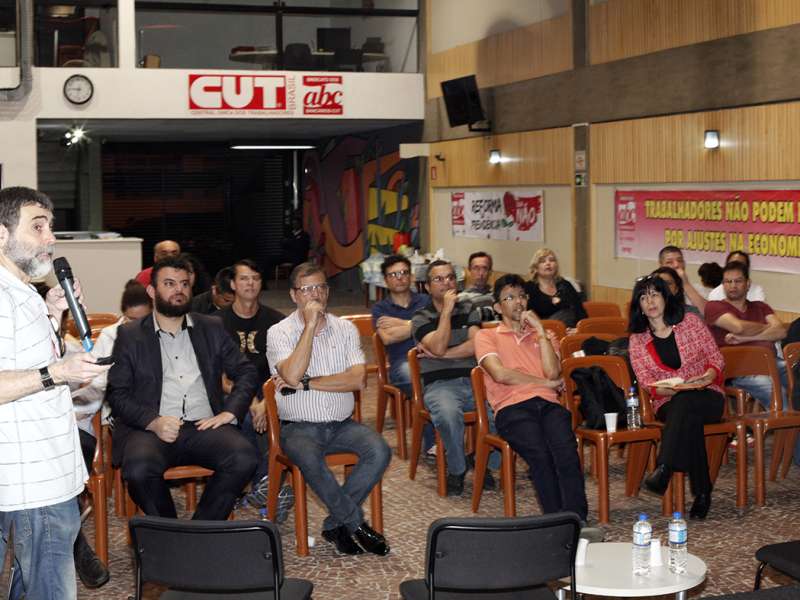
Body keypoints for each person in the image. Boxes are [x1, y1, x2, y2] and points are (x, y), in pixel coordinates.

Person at [0, 186, 110, 599]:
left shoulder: (23, 291)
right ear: (1, 235)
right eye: (38, 226)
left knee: (28, 587)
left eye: (52, 227)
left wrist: (53, 313)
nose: (51, 238)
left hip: (47, 469)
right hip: (32, 479)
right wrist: (56, 371)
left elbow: (25, 361)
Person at [107, 256, 259, 520]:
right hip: (152, 428)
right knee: (139, 469)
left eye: (184, 284)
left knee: (244, 456)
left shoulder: (210, 327)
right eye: (169, 283)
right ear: (152, 291)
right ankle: (170, 533)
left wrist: (230, 412)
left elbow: (245, 370)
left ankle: (201, 530)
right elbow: (117, 394)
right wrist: (153, 422)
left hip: (203, 426)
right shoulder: (130, 336)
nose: (179, 290)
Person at [267, 262, 391, 556]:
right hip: (298, 427)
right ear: (294, 295)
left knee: (380, 450)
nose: (315, 295)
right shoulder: (279, 332)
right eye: (307, 289)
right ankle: (356, 525)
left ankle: (335, 524)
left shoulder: (345, 328)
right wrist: (309, 326)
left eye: (321, 287)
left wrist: (308, 384)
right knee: (309, 458)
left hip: (342, 424)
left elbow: (358, 379)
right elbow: (292, 374)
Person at [475, 274, 590, 521]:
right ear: (497, 307)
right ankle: (555, 520)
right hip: (512, 407)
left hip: (548, 404)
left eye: (522, 296)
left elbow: (553, 372)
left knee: (567, 451)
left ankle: (577, 519)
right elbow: (500, 373)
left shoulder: (546, 336)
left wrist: (539, 330)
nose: (518, 302)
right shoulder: (487, 336)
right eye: (509, 297)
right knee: (540, 454)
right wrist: (544, 383)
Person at [70, 280, 151, 589]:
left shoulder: (165, 334)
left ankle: (169, 541)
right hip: (106, 419)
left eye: (143, 319)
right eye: (131, 320)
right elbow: (95, 389)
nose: (137, 326)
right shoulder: (109, 338)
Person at [628, 274, 725, 519]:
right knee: (685, 411)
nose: (649, 301)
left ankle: (665, 466)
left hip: (707, 394)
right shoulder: (638, 340)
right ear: (638, 305)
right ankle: (702, 492)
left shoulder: (690, 322)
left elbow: (716, 358)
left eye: (654, 294)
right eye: (643, 296)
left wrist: (706, 376)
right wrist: (667, 389)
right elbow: (647, 382)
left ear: (665, 297)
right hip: (667, 400)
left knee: (687, 406)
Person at [411, 260, 500, 496]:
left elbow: (477, 343)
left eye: (450, 277)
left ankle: (482, 462)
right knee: (449, 416)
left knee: (504, 412)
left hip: (474, 380)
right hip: (440, 385)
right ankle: (457, 469)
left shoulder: (469, 307)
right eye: (438, 279)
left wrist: (445, 355)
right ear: (428, 287)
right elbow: (438, 345)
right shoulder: (420, 317)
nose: (446, 283)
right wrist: (447, 312)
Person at [218, 259, 287, 509]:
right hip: (230, 392)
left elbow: (284, 370)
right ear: (233, 284)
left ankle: (266, 488)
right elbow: (217, 377)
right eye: (244, 278)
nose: (250, 283)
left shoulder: (277, 322)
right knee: (246, 417)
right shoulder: (215, 322)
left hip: (269, 390)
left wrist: (265, 401)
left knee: (285, 414)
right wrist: (250, 401)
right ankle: (267, 486)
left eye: (256, 278)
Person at [524, 247, 586, 332]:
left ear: (556, 266)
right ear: (535, 267)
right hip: (540, 333)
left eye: (552, 260)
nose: (548, 263)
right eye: (543, 261)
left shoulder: (565, 285)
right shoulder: (528, 288)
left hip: (569, 332)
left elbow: (580, 312)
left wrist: (578, 329)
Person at [657, 245, 707, 312]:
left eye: (680, 260)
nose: (676, 265)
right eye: (669, 262)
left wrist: (685, 284)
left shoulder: (697, 289)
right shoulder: (653, 289)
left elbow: (707, 312)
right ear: (661, 265)